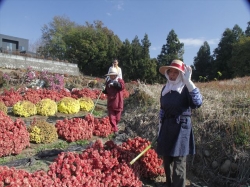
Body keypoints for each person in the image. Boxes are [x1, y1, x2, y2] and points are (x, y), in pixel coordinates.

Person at [157, 59, 203, 187]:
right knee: (167, 159)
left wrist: (189, 82)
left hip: (181, 126)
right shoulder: (165, 89)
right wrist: (159, 128)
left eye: (175, 72)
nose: (172, 75)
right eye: (170, 72)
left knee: (179, 161)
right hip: (167, 125)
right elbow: (162, 109)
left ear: (181, 74)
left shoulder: (186, 88)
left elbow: (198, 102)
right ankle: (169, 183)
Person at [103, 67, 125, 132]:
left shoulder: (120, 81)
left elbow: (121, 87)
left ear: (116, 75)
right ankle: (115, 129)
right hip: (111, 102)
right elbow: (107, 91)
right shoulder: (108, 82)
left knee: (117, 118)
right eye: (110, 75)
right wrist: (104, 90)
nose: (112, 76)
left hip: (118, 102)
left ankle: (115, 126)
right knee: (112, 118)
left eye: (113, 75)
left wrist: (115, 84)